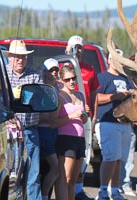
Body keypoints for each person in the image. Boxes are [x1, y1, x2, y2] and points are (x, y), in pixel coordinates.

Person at [3, 39, 43, 199]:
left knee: (33, 175)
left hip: (30, 131)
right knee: (10, 176)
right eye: (17, 56)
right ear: (10, 57)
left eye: (23, 57)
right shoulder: (2, 75)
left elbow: (39, 99)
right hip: (7, 134)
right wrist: (7, 116)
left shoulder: (34, 75)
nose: (20, 60)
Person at [95, 48, 134, 200]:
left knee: (119, 159)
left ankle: (115, 190)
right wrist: (114, 96)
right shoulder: (102, 77)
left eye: (120, 60)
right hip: (108, 122)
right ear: (109, 60)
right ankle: (103, 191)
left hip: (124, 123)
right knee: (110, 157)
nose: (117, 63)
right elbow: (95, 98)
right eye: (115, 59)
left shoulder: (126, 79)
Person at [65, 35, 99, 200]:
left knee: (84, 155)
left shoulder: (90, 69)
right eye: (73, 47)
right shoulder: (62, 68)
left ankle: (78, 190)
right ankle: (66, 191)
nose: (77, 51)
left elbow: (94, 95)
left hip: (86, 119)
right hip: (67, 120)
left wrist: (94, 116)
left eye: (79, 48)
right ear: (67, 49)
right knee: (67, 159)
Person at [50, 65, 88, 200]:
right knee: (65, 179)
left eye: (73, 78)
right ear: (61, 80)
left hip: (80, 139)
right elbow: (53, 122)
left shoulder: (80, 95)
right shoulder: (60, 96)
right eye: (67, 79)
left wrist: (84, 118)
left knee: (73, 180)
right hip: (65, 139)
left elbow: (83, 120)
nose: (71, 82)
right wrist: (72, 116)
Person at [38, 58, 60, 200]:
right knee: (54, 168)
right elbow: (39, 116)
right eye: (50, 70)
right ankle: (43, 196)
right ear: (44, 72)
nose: (53, 73)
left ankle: (45, 195)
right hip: (42, 132)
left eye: (55, 70)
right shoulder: (39, 88)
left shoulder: (57, 88)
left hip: (54, 133)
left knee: (48, 169)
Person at [119, 131, 137, 196]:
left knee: (128, 157)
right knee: (114, 158)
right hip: (112, 125)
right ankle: (114, 186)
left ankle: (125, 183)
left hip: (129, 127)